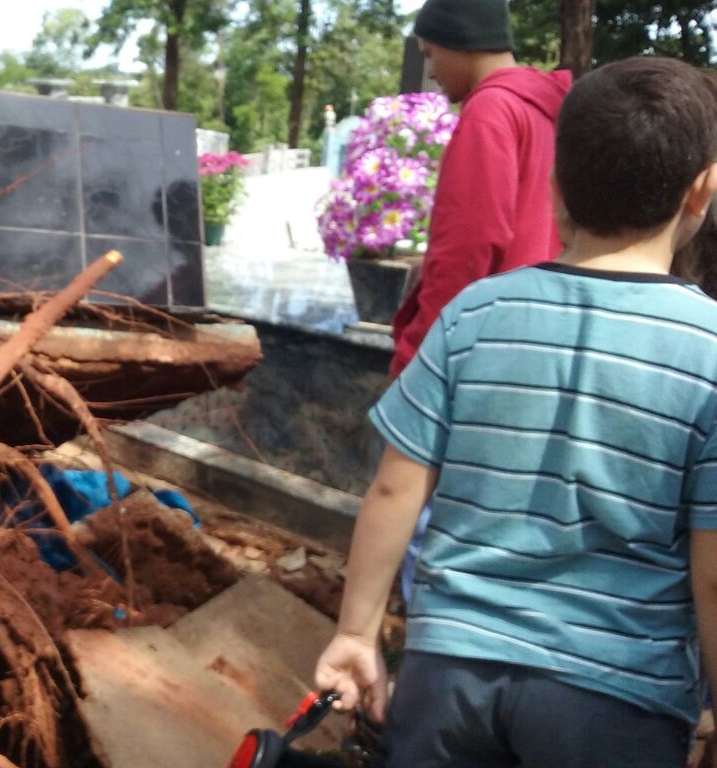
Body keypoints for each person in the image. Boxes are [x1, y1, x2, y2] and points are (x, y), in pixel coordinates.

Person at [314, 57, 717, 767]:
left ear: (555, 186)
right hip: (614, 701)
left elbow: (393, 487)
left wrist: (355, 632)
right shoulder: (708, 351)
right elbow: (712, 571)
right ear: (702, 191)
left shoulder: (476, 313)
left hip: (447, 679)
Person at [394, 0, 572, 601]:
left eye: (431, 54)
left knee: (432, 535)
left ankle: (421, 672)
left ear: (461, 42)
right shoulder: (551, 112)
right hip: (537, 353)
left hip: (477, 361)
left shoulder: (490, 112)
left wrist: (415, 366)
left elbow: (464, 256)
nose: (432, 71)